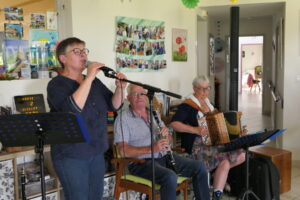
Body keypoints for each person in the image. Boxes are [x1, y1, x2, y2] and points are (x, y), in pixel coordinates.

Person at [47, 37, 126, 200]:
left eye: (84, 51)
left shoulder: (95, 82)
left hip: (96, 151)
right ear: (63, 59)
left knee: (95, 196)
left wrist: (120, 88)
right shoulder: (56, 85)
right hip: (71, 154)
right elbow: (73, 109)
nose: (83, 55)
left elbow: (114, 105)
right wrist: (88, 77)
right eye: (77, 52)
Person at [114, 84, 210, 200]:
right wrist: (151, 149)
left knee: (199, 167)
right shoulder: (123, 119)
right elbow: (123, 150)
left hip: (164, 156)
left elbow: (168, 139)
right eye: (135, 94)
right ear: (128, 98)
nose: (139, 97)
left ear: (146, 97)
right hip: (141, 163)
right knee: (169, 177)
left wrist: (167, 136)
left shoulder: (154, 114)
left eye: (142, 94)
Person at [170, 75, 246, 200]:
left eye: (207, 88)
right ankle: (217, 194)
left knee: (241, 155)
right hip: (197, 147)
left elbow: (221, 124)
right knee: (225, 161)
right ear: (194, 88)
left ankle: (216, 180)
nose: (205, 92)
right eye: (202, 89)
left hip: (214, 143)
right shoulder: (188, 105)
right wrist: (194, 129)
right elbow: (174, 124)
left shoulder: (210, 104)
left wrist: (237, 132)